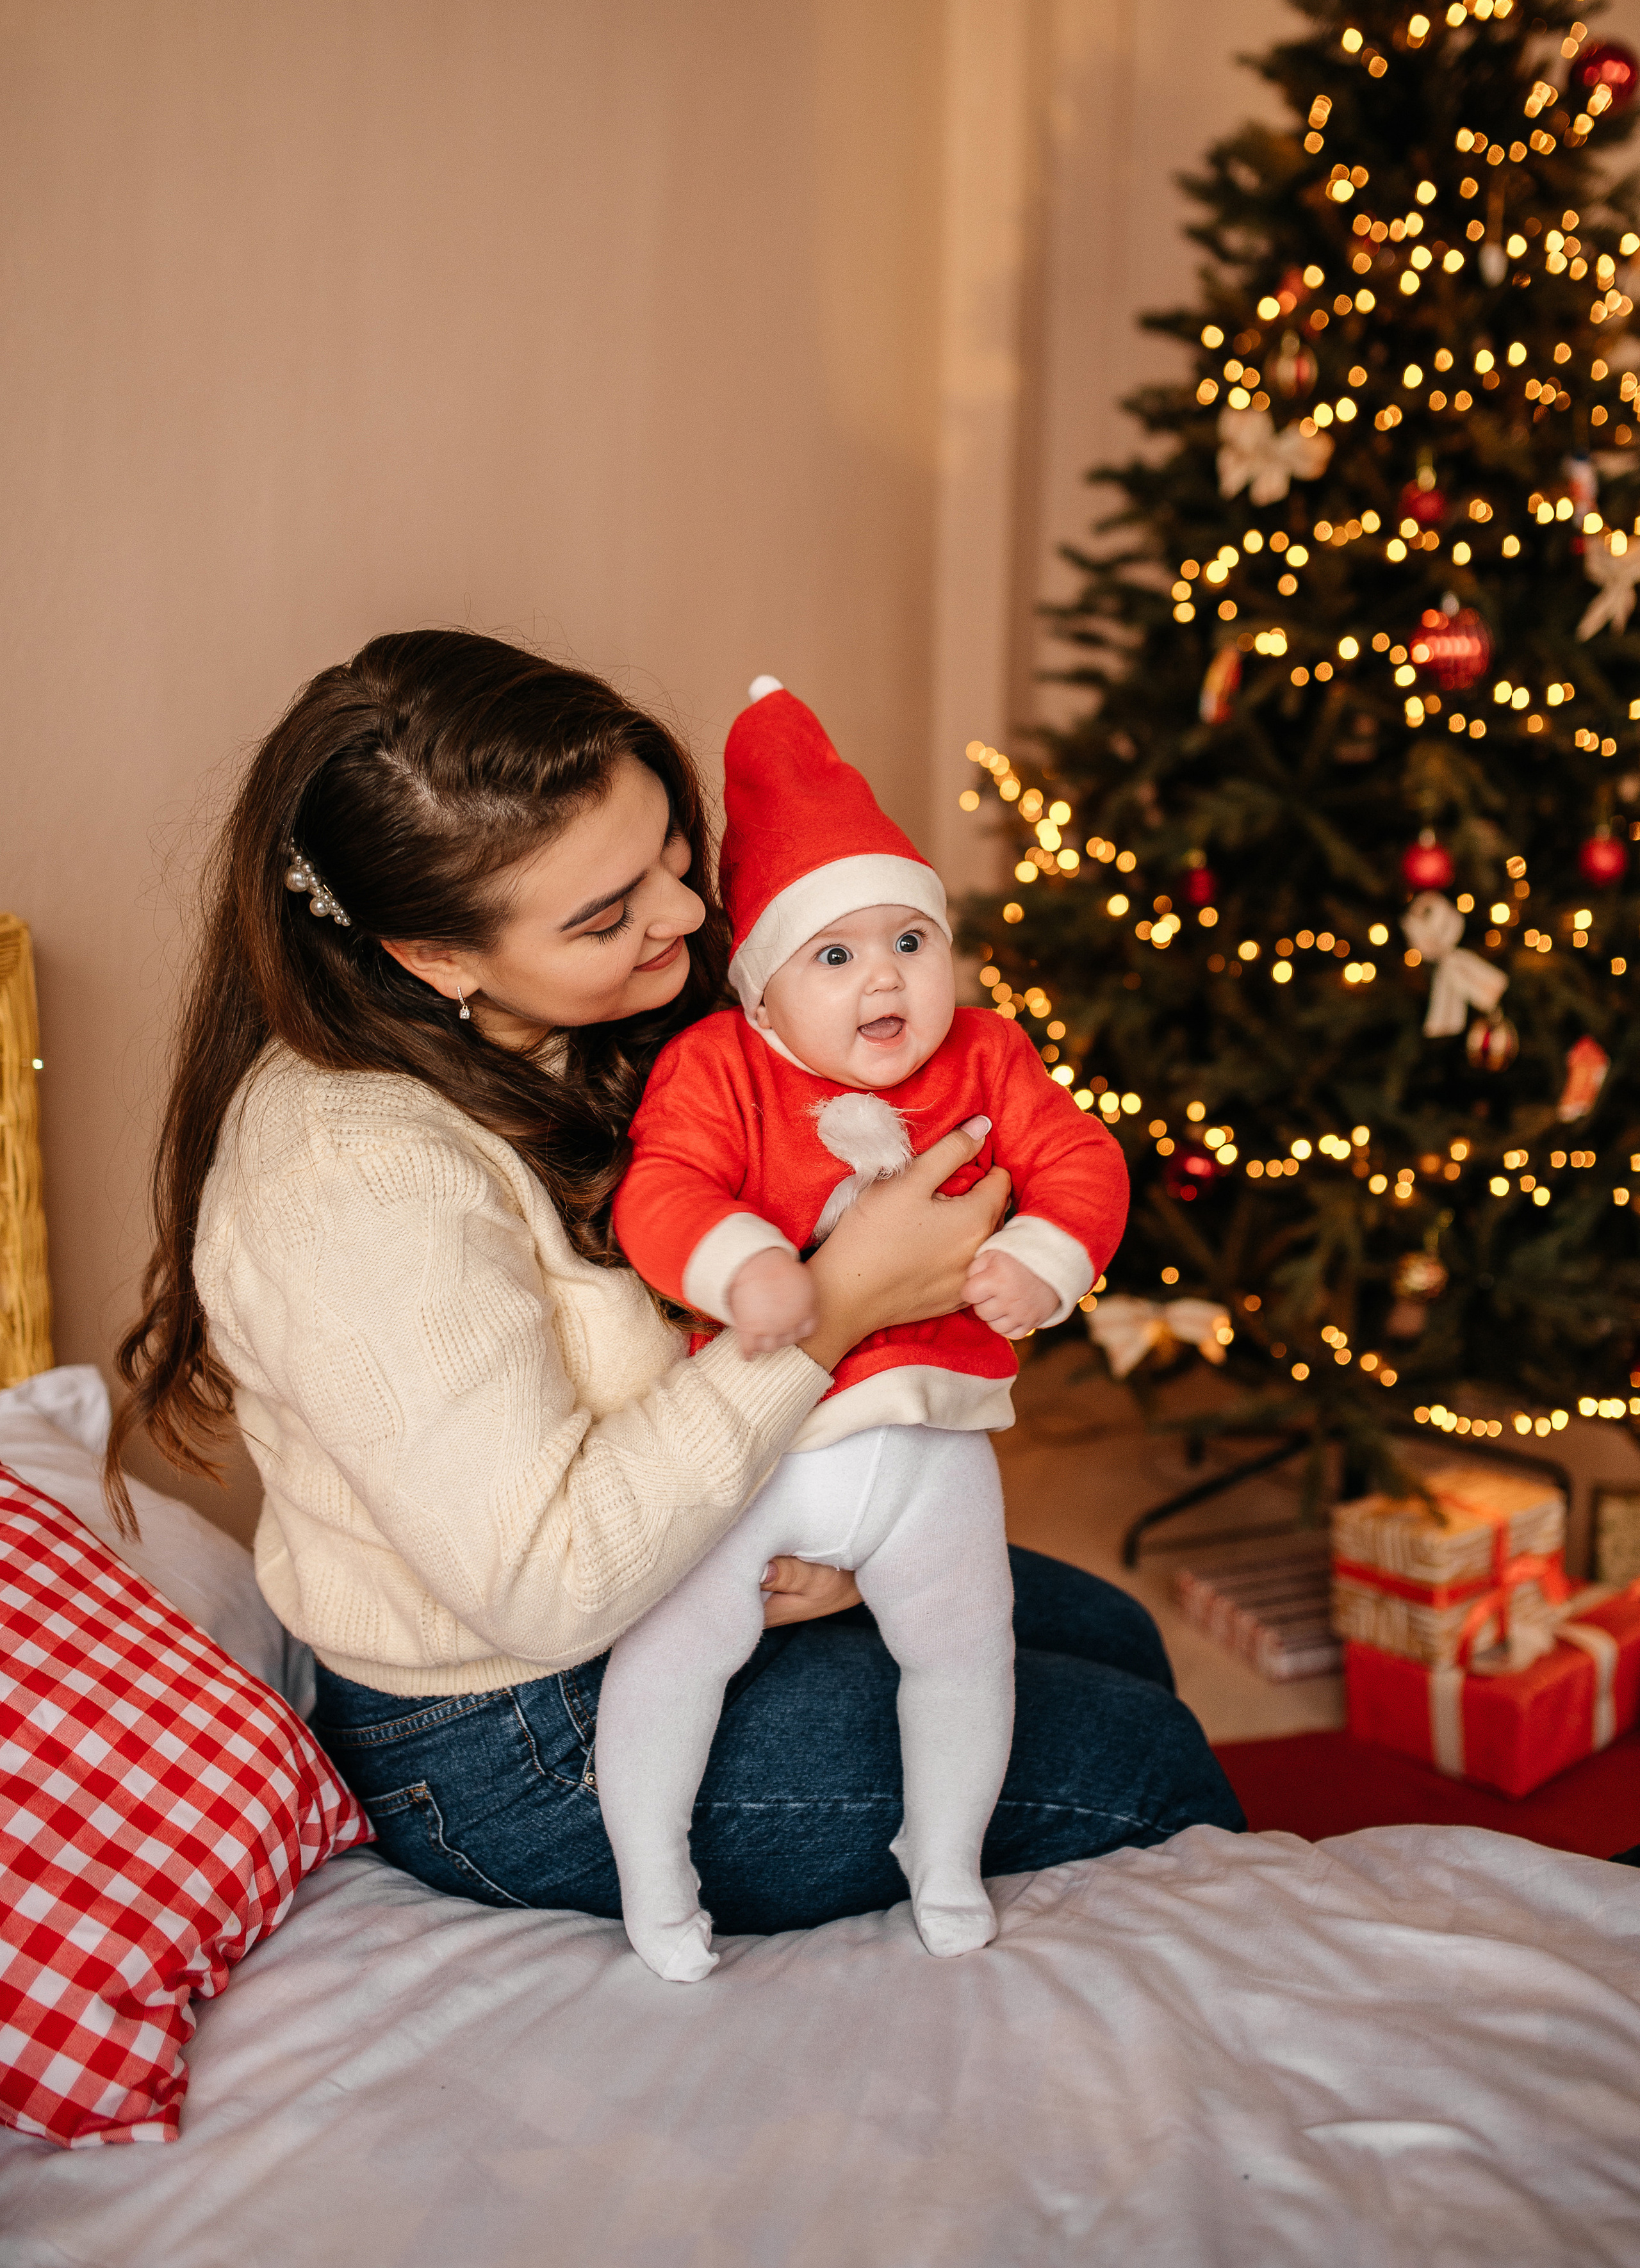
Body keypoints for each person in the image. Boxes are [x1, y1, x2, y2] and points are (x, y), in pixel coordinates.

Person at [112, 628, 1243, 1934]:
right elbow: (542, 1579)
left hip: (712, 1561)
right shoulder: (353, 1175)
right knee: (1135, 1757)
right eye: (608, 914)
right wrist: (841, 1301)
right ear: (433, 957)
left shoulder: (596, 1024)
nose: (688, 915)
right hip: (517, 1722)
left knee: (1114, 1635)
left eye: (668, 854)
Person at [597, 679, 1130, 1979]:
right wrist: (742, 1268)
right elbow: (657, 1190)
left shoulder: (988, 1058)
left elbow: (1081, 1159)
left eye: (909, 940)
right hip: (762, 1450)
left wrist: (1038, 1257)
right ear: (765, 994)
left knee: (962, 1651)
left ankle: (940, 1855)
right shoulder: (720, 1066)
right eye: (833, 956)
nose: (883, 977)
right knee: (674, 1654)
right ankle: (653, 1878)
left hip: (931, 1445)